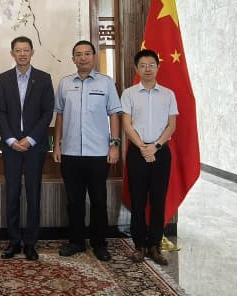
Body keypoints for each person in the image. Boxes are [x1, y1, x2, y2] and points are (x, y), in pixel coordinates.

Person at [53, 40, 122, 262]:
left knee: (99, 200)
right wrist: (57, 145)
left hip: (98, 153)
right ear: (73, 58)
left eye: (87, 54)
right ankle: (76, 241)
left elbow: (114, 114)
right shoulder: (65, 83)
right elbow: (60, 116)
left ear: (93, 56)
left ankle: (99, 243)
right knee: (74, 201)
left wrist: (115, 144)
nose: (83, 58)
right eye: (78, 54)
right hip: (71, 152)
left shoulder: (106, 83)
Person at [0, 36, 55, 261]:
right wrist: (10, 139)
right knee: (12, 194)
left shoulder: (43, 78)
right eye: (18, 50)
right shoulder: (4, 79)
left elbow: (47, 112)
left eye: (26, 50)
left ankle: (30, 242)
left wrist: (30, 139)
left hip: (34, 147)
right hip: (11, 148)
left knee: (33, 194)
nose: (22, 54)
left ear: (32, 52)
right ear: (12, 53)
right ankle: (13, 241)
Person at [121, 49, 177, 266]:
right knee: (138, 200)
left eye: (151, 65)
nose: (147, 69)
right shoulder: (129, 93)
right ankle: (140, 245)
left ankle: (154, 245)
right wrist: (143, 147)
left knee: (158, 199)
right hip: (137, 151)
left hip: (161, 151)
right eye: (142, 65)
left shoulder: (168, 94)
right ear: (136, 69)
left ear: (157, 67)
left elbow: (172, 125)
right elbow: (126, 124)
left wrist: (156, 146)